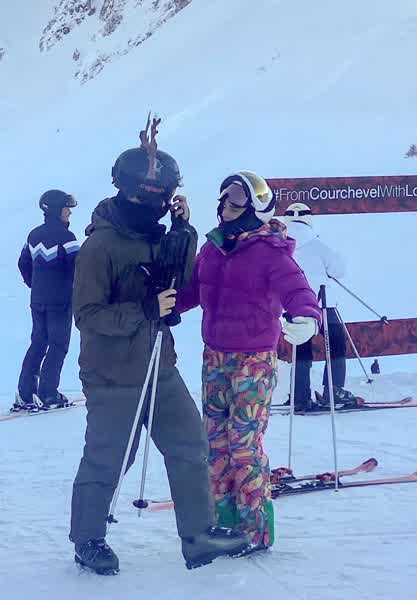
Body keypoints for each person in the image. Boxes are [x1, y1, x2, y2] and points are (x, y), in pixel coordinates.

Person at [69, 117, 249, 576]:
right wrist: (144, 309)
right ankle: (87, 538)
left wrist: (183, 233)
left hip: (159, 366)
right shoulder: (100, 247)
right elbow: (87, 315)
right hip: (113, 375)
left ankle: (199, 536)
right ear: (129, 193)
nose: (159, 206)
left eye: (166, 198)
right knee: (109, 459)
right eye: (154, 198)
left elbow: (181, 282)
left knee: (190, 444)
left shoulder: (157, 235)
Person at [175, 171, 321, 553]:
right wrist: (168, 304)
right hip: (214, 358)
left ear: (255, 208)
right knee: (215, 444)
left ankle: (255, 531)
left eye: (236, 199)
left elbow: (298, 288)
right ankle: (224, 521)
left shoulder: (270, 251)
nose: (226, 205)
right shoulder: (213, 247)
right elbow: (194, 289)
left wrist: (307, 316)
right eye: (224, 197)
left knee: (243, 445)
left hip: (253, 362)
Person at [284, 202, 354, 411]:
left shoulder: (281, 247)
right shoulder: (319, 246)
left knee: (301, 348)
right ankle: (333, 390)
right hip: (324, 305)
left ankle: (299, 395)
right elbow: (339, 270)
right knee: (336, 344)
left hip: (294, 306)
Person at [14, 189, 79, 411]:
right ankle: (48, 394)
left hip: (38, 300)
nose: (69, 213)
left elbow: (23, 264)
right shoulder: (67, 238)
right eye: (66, 209)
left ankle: (25, 393)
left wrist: (36, 285)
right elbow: (79, 268)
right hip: (60, 302)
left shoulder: (33, 235)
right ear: (56, 210)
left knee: (38, 342)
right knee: (58, 345)